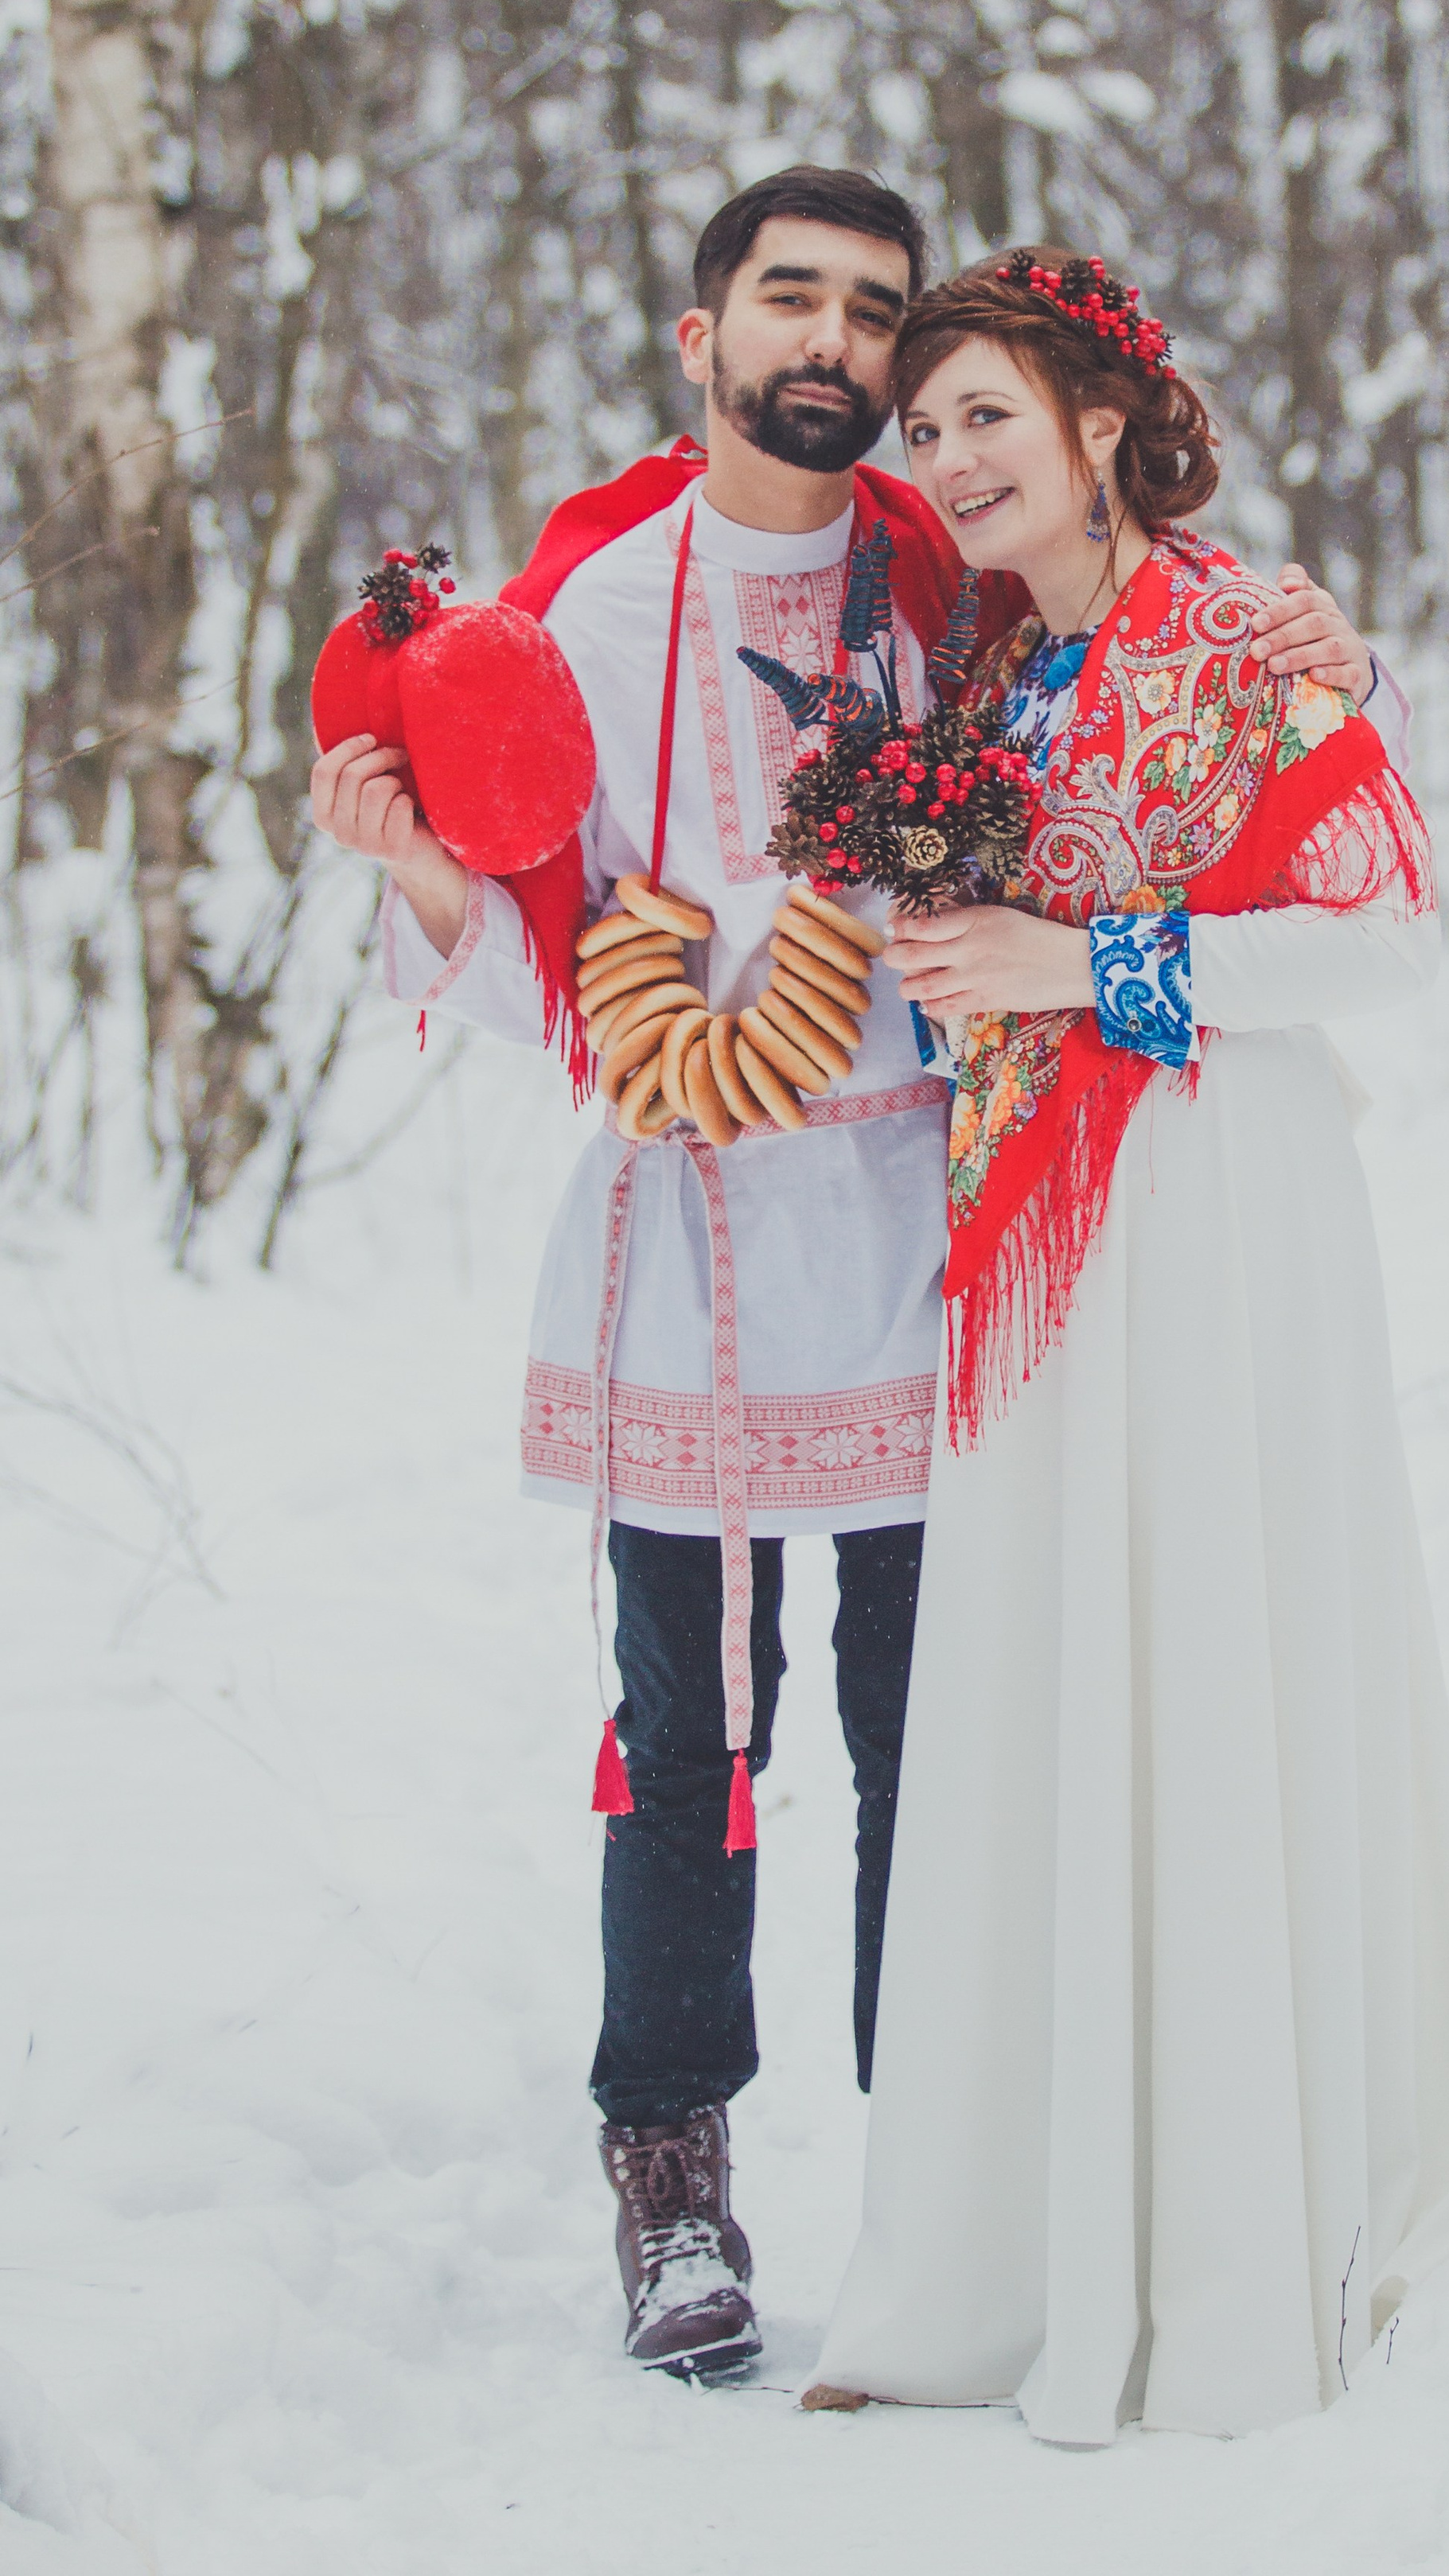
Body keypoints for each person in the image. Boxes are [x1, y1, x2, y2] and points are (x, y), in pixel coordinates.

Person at [306, 169, 1380, 2379]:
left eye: (872, 311)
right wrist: (418, 867)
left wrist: (1314, 652)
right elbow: (544, 963)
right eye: (788, 296)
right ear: (699, 337)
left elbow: (1134, 669)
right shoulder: (583, 617)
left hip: (930, 1221)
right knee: (692, 1732)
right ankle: (673, 2168)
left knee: (939, 1723)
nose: (834, 340)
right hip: (690, 1220)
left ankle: (942, 2168)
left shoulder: (946, 581)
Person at [808, 250, 1449, 2442]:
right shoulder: (988, 667)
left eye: (985, 420)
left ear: (1104, 423)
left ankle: (1218, 2229)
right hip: (1029, 1229)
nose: (946, 463)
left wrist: (1087, 960)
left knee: (1202, 1655)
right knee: (1042, 1679)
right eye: (926, 433)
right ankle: (1012, 2247)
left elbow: (1386, 939)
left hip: (1216, 1211)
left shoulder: (1237, 634)